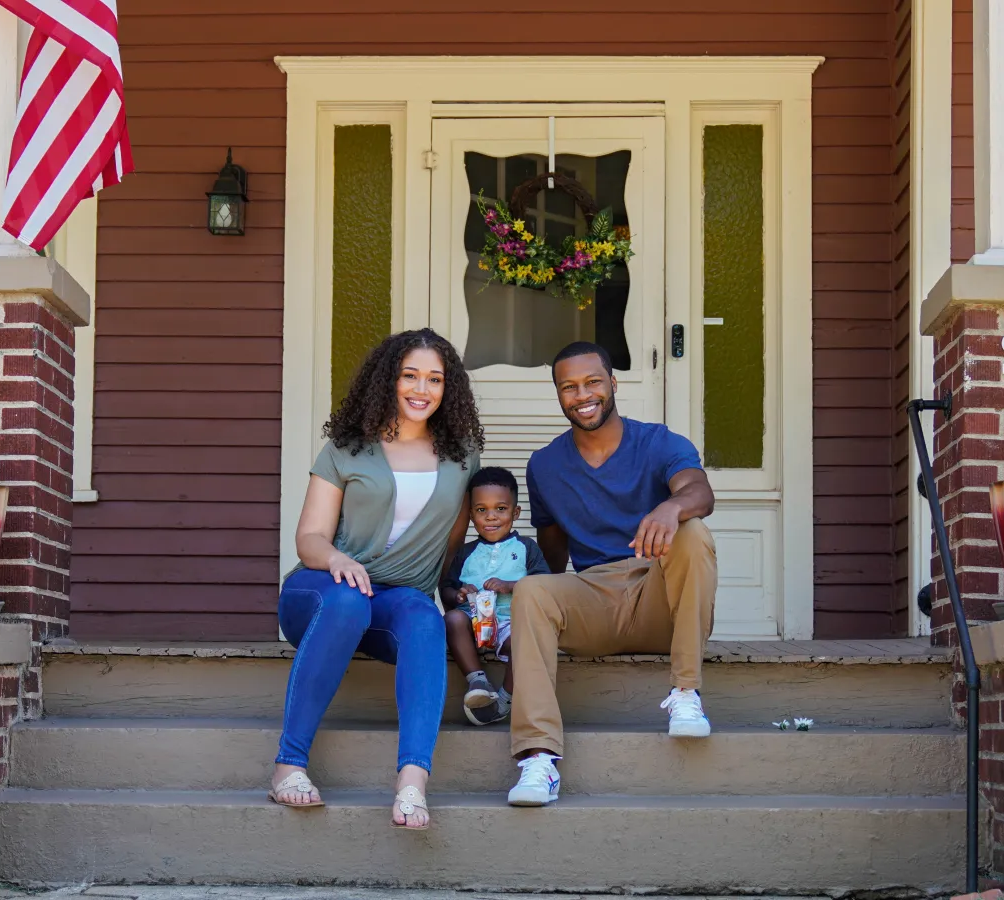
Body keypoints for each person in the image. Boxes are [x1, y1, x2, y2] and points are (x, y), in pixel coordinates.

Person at [269, 328, 483, 830]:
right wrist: (337, 561)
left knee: (425, 620)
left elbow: (452, 544)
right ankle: (288, 764)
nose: (421, 388)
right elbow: (310, 538)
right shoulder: (347, 448)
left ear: (448, 389)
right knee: (348, 602)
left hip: (394, 601)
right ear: (388, 380)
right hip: (321, 593)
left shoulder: (461, 455)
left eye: (435, 378)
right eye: (410, 375)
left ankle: (412, 782)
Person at [506, 341, 718, 807]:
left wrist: (671, 507)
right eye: (569, 387)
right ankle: (538, 759)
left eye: (592, 381)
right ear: (558, 394)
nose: (582, 394)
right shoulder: (544, 465)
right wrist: (526, 615)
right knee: (532, 591)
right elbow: (552, 548)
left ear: (613, 383)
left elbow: (699, 491)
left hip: (658, 596)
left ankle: (685, 693)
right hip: (595, 601)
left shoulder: (658, 441)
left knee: (693, 531)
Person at [439, 466, 551, 726]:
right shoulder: (466, 552)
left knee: (525, 641)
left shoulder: (526, 548)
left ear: (515, 512)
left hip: (510, 623)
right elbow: (446, 587)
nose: (491, 517)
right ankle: (477, 681)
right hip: (473, 624)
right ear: (471, 515)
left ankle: (504, 700)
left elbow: (545, 584)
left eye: (500, 509)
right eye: (481, 510)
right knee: (453, 620)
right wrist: (459, 594)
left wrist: (511, 585)